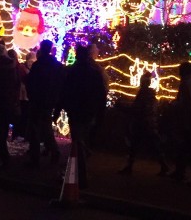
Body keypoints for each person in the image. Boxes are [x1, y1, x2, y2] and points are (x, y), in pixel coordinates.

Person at [60, 44, 108, 189]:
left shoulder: (73, 71)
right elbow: (101, 92)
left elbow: (65, 90)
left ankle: (80, 175)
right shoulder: (95, 71)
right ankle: (78, 172)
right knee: (81, 140)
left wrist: (62, 107)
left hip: (76, 110)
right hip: (88, 110)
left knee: (78, 141)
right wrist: (100, 111)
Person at [118, 71, 169, 176]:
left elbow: (137, 108)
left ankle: (129, 167)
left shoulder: (143, 93)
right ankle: (164, 165)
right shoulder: (151, 94)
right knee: (154, 145)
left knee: (135, 146)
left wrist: (122, 106)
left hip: (143, 123)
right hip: (149, 123)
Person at [25, 39, 64, 165]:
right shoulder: (56, 65)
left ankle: (35, 156)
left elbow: (31, 82)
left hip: (38, 99)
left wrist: (31, 95)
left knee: (35, 127)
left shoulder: (38, 65)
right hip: (49, 100)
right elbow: (60, 83)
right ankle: (53, 150)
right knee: (46, 126)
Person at [14, 50, 36, 142]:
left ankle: (19, 133)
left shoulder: (21, 67)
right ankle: (23, 133)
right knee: (25, 115)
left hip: (21, 94)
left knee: (21, 115)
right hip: (27, 94)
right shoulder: (31, 66)